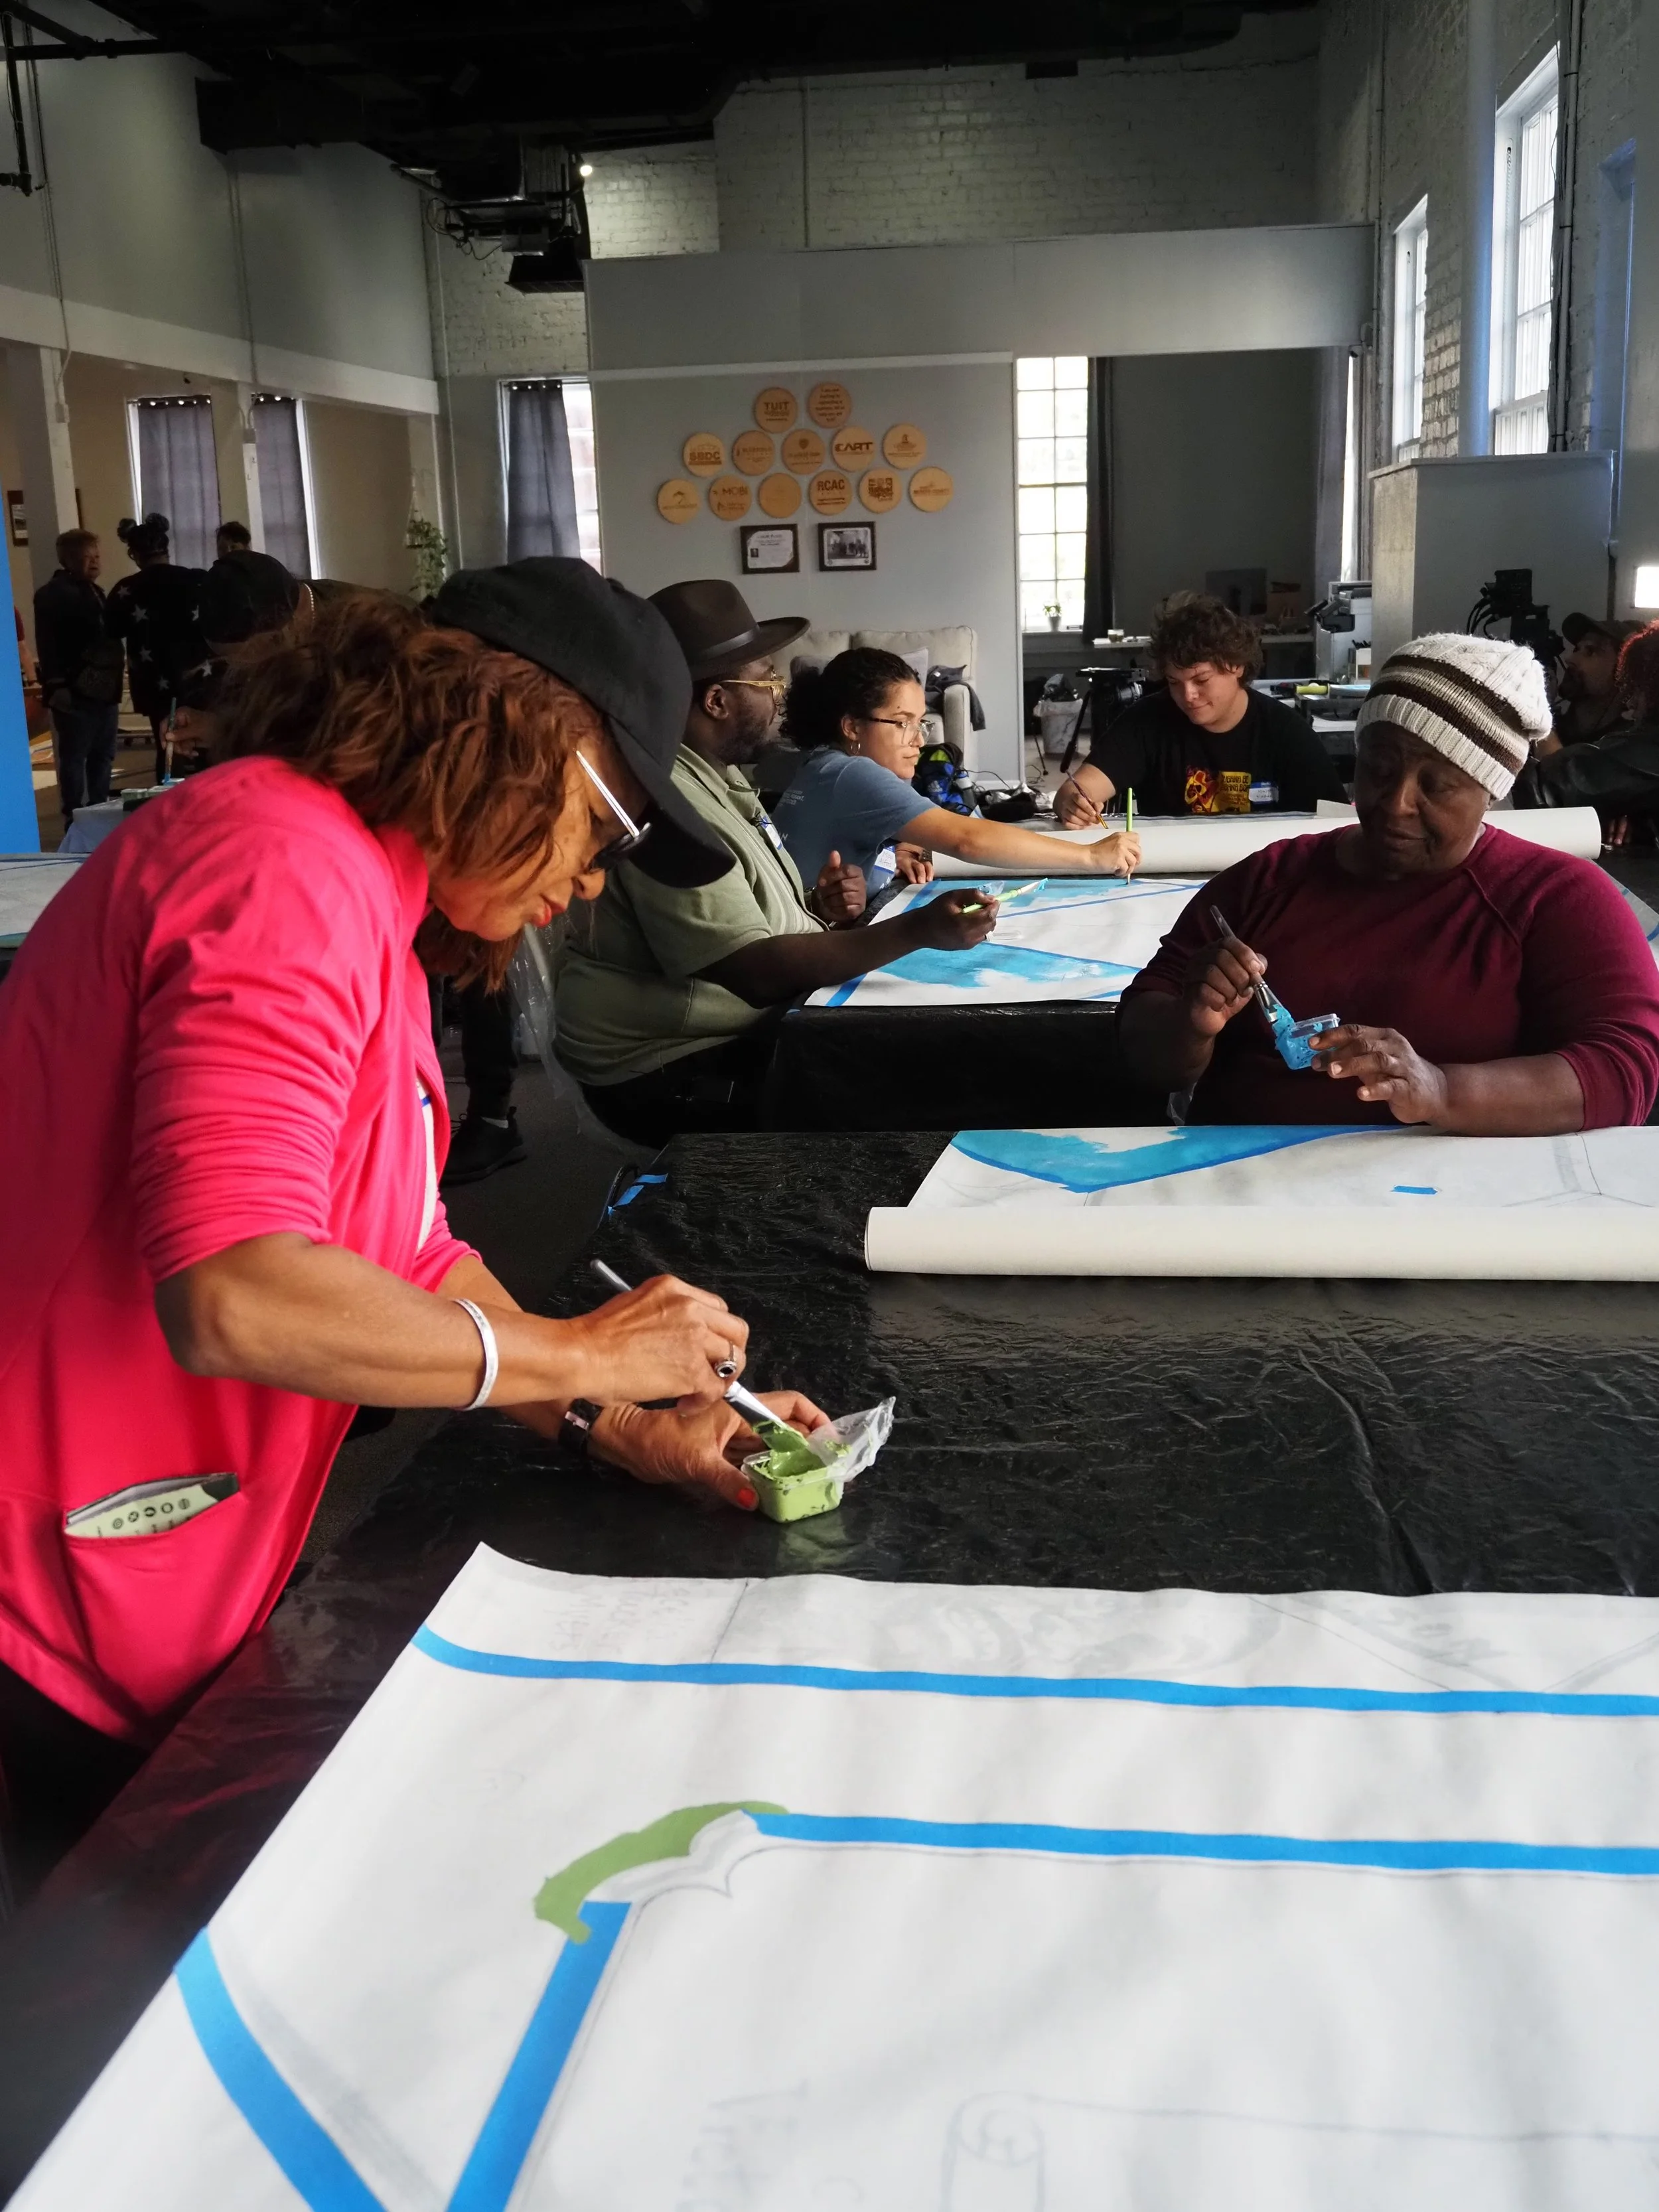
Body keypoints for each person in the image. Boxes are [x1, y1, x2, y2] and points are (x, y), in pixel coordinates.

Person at [0, 558, 826, 1894]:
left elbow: (400, 1251)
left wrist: (619, 1414)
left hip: (167, 1554)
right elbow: (237, 1288)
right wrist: (585, 1359)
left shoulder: (353, 892)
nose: (596, 881)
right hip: (58, 1576)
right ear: (518, 728)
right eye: (606, 828)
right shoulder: (283, 867)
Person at [1119, 632, 1659, 1130]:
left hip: (1440, 1216)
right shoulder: (1268, 880)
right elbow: (1141, 1048)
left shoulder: (1555, 898)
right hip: (1234, 1198)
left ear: (1489, 790)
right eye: (1379, 768)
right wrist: (1193, 1026)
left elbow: (1623, 1071)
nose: (1396, 803)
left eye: (1437, 785)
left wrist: (1444, 1090)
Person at [553, 579, 997, 1144]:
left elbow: (734, 914)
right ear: (716, 701)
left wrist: (818, 909)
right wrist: (919, 927)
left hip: (730, 1029)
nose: (780, 693)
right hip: (669, 1069)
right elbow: (754, 970)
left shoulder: (716, 772)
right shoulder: (666, 797)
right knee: (915, 1084)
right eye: (765, 679)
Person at [774, 647, 1139, 890]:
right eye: (902, 723)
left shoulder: (819, 763)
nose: (918, 740)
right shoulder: (855, 774)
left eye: (921, 723)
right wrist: (1091, 855)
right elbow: (969, 839)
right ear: (852, 726)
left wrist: (890, 855)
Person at [1054, 591, 1344, 824]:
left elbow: (1334, 823)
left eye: (1201, 679)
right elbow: (1076, 790)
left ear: (1237, 666)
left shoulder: (1286, 732)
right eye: (1173, 682)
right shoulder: (1146, 721)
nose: (1188, 695)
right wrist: (1074, 803)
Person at [106, 512, 206, 782]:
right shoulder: (197, 580)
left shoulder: (126, 589)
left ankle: (169, 807)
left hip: (153, 682)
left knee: (168, 748)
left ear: (135, 554)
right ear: (166, 548)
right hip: (201, 678)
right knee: (208, 748)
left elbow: (111, 630)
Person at [33, 528, 123, 826]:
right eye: (88, 557)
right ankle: (74, 815)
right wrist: (56, 684)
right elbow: (48, 645)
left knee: (103, 755)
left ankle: (99, 809)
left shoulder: (97, 592)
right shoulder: (52, 595)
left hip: (105, 691)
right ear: (69, 560)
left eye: (98, 556)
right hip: (75, 691)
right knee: (75, 757)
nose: (96, 562)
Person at [1542, 613, 1640, 750]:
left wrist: (1540, 714)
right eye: (1577, 649)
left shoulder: (1629, 748)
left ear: (1623, 670)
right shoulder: (1551, 725)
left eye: (1590, 651)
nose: (1570, 659)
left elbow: (1563, 769)